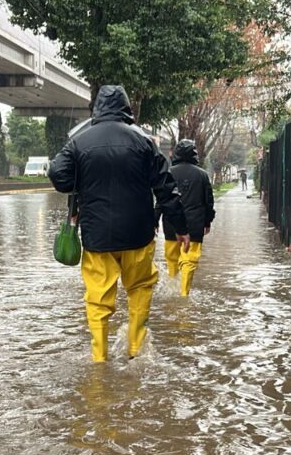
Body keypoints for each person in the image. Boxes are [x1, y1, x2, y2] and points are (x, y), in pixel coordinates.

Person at [48, 85, 187, 363]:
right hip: (138, 233)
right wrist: (181, 227)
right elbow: (165, 188)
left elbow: (59, 176)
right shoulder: (145, 141)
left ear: (97, 109)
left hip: (97, 236)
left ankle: (99, 357)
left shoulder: (79, 141)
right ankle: (135, 348)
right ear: (127, 109)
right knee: (140, 288)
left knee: (98, 297)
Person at [161, 139, 215, 297]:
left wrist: (154, 219)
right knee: (189, 260)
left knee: (171, 258)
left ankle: (171, 288)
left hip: (171, 223)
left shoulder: (168, 173)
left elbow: (162, 199)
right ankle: (184, 293)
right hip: (194, 225)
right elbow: (208, 202)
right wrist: (207, 221)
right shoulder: (203, 175)